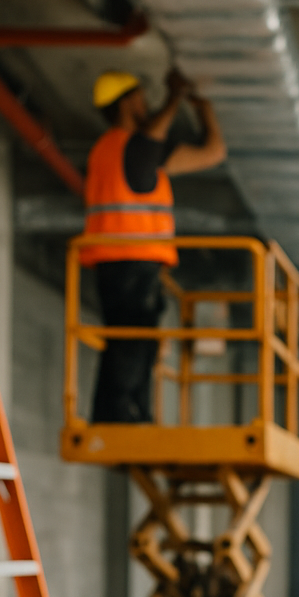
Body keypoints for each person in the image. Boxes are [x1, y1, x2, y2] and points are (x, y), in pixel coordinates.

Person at [82, 68, 227, 422]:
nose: (144, 102)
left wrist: (203, 106)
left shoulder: (121, 152)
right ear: (128, 101)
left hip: (123, 261)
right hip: (128, 259)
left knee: (135, 341)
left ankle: (131, 411)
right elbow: (149, 139)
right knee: (132, 341)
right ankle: (120, 412)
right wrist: (175, 97)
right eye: (140, 97)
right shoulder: (127, 147)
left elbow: (213, 152)